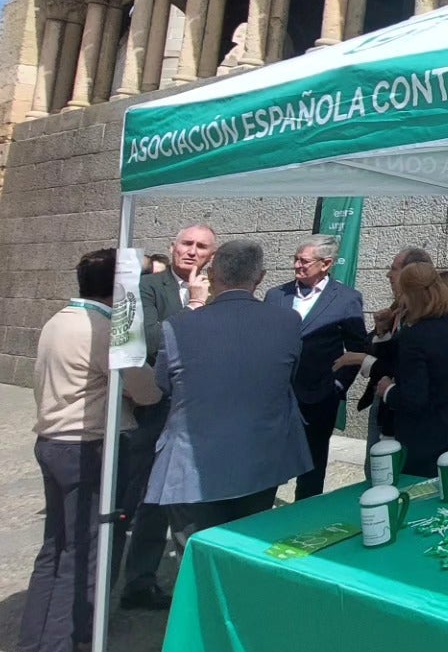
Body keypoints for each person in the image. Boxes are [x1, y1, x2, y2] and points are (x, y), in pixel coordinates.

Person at [9, 250, 160, 652]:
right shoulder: (107, 329)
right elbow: (146, 390)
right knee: (83, 560)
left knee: (54, 553)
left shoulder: (60, 319)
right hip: (86, 447)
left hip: (53, 442)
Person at [145, 240, 311, 548]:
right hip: (262, 459)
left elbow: (165, 384)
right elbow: (288, 376)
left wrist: (193, 307)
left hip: (193, 464)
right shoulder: (287, 321)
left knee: (198, 558)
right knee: (247, 550)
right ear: (259, 277)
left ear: (212, 275)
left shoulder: (179, 325)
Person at [119, 222, 216, 611]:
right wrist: (194, 307)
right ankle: (136, 583)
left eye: (201, 246)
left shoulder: (218, 289)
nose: (192, 251)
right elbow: (153, 340)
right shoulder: (148, 288)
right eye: (186, 244)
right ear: (172, 247)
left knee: (193, 496)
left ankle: (194, 582)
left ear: (212, 254)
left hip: (200, 409)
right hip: (156, 409)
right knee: (147, 497)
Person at [340, 262, 448, 478]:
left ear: (411, 295)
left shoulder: (415, 336)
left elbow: (413, 398)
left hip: (426, 435)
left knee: (421, 497)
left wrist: (387, 390)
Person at [264, 237, 369, 500]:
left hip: (319, 395)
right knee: (269, 460)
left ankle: (304, 517)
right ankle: (259, 516)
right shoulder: (276, 295)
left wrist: (337, 386)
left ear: (326, 264)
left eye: (304, 261)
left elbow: (357, 347)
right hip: (276, 394)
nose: (297, 266)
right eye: (295, 259)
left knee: (312, 463)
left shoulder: (346, 299)